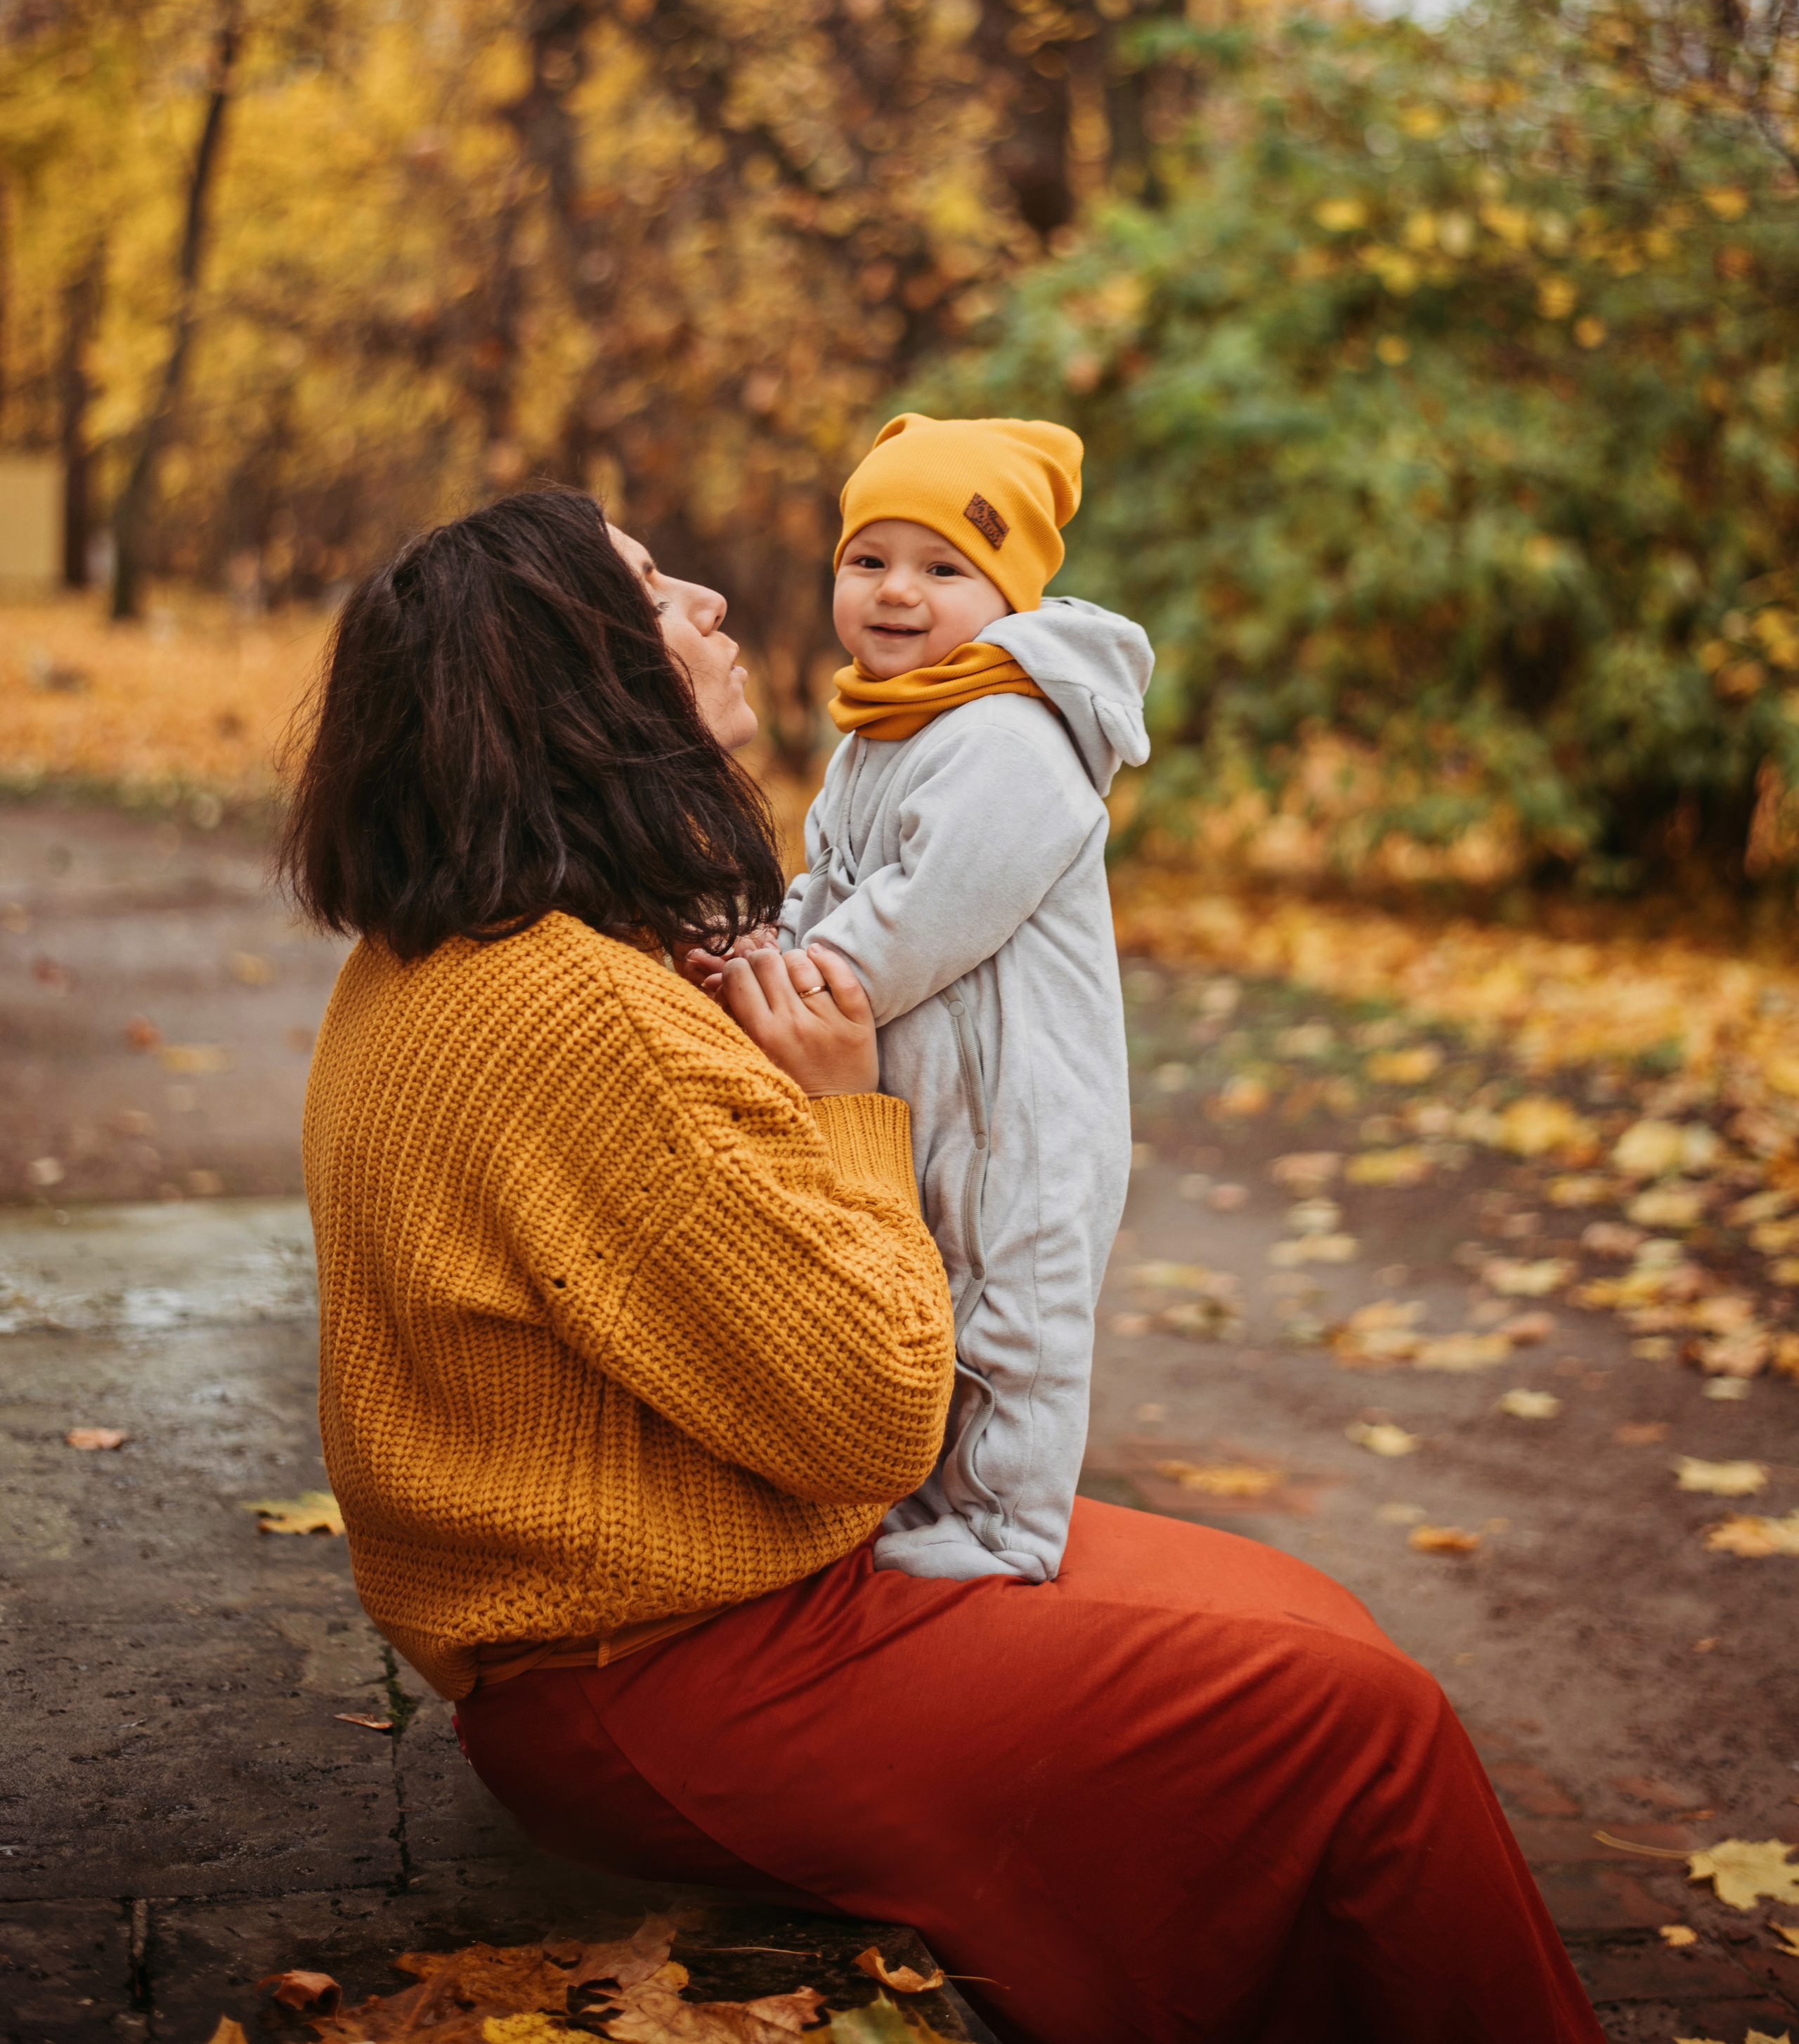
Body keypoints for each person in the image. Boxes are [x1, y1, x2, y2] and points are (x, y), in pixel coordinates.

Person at [285, 486, 1605, 2044]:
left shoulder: (467, 955)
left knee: (1311, 1617)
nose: (708, 601)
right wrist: (851, 1114)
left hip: (690, 1598)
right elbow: (872, 1415)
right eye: (652, 593)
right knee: (1357, 1723)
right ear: (570, 682)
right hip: (662, 1679)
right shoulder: (568, 1022)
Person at [722, 411, 1151, 1587]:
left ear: (1007, 595)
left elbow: (922, 914)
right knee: (933, 1307)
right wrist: (772, 943)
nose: (896, 592)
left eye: (942, 568)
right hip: (930, 1094)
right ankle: (921, 1506)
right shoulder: (884, 733)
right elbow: (832, 879)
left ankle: (1014, 1528)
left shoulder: (1013, 739)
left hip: (1027, 1110)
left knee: (1016, 1309)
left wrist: (799, 985)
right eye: (870, 560)